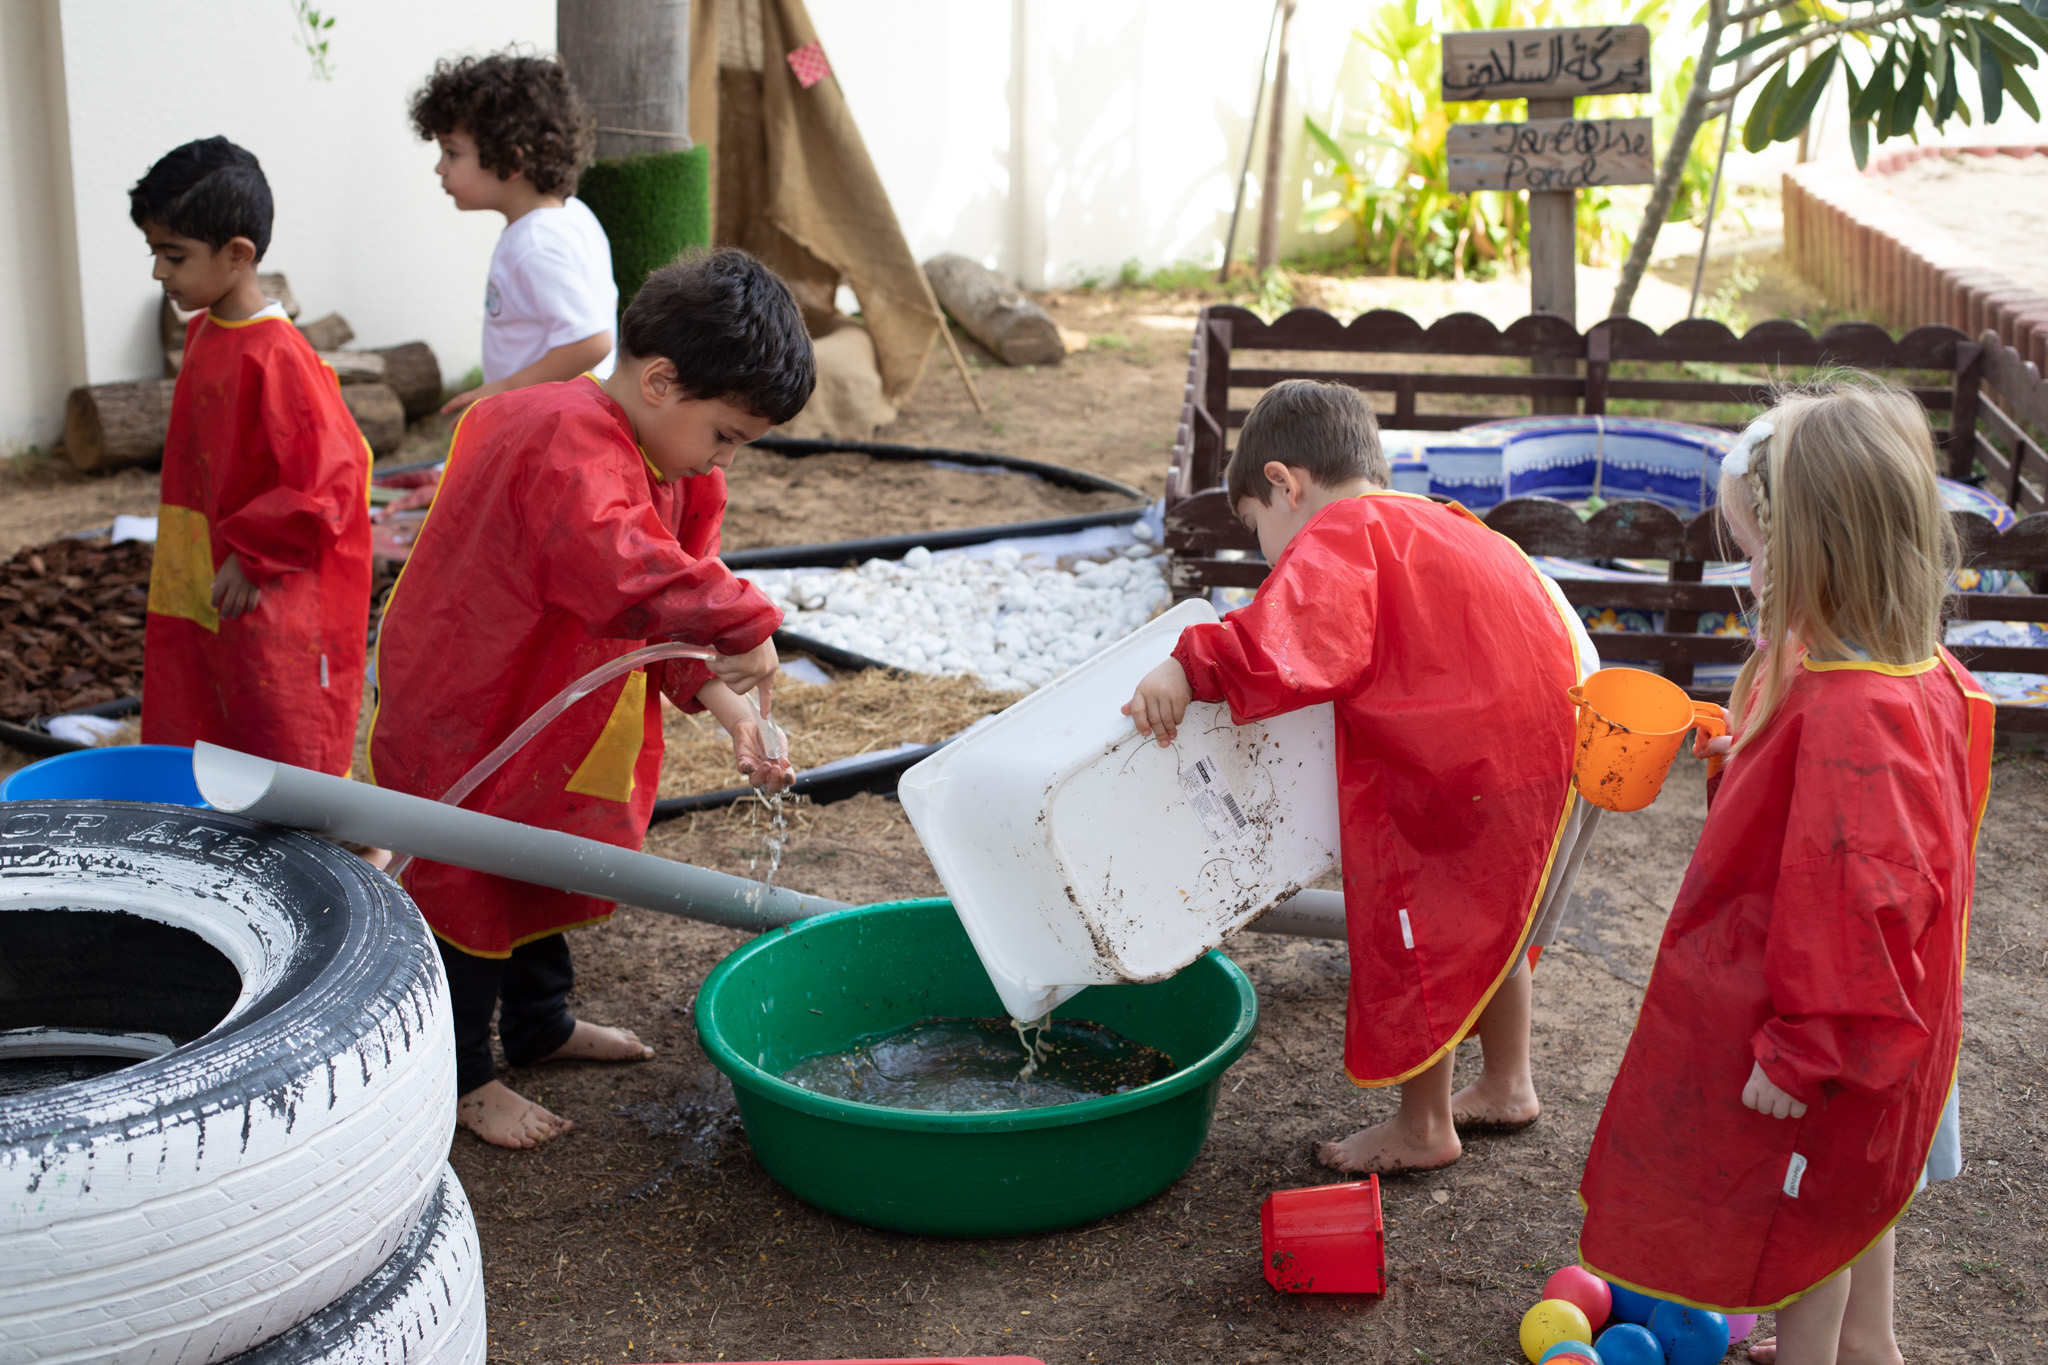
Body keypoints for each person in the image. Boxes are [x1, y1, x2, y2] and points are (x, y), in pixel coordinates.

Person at [1577, 382, 1992, 1365]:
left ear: (1819, 551)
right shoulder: (1905, 668)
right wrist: (1740, 749)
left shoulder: (1857, 714)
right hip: (1884, 1028)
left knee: (1802, 1229)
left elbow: (1862, 901)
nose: (1750, 574)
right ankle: (1870, 1346)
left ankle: (1821, 1352)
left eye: (1762, 549)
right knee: (1845, 1196)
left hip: (1835, 1031)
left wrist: (1803, 1047)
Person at [369, 250, 814, 1150]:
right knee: (469, 876)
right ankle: (464, 1075)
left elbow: (669, 613)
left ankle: (542, 1023)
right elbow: (632, 572)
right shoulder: (556, 436)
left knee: (544, 860)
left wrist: (735, 711)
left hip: (562, 706)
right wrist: (743, 619)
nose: (725, 457)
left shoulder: (675, 465)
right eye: (725, 433)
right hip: (477, 705)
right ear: (659, 381)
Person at [1123, 379, 1601, 1176]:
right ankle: (1508, 1081)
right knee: (1496, 914)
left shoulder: (1346, 531)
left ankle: (1422, 1126)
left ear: (1285, 482)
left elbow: (1290, 636)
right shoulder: (1438, 520)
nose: (1268, 555)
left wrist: (1190, 661)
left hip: (1466, 767)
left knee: (1419, 929)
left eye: (1257, 529)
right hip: (1553, 741)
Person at [130, 137, 372, 774]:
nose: (159, 273)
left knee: (281, 728)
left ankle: (346, 853)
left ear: (238, 254)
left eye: (173, 255)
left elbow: (330, 481)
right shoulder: (204, 331)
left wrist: (253, 554)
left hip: (270, 584)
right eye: (155, 252)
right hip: (211, 569)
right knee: (215, 710)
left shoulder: (279, 357)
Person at [410, 51, 617, 414]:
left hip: (553, 425)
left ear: (511, 161)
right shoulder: (570, 215)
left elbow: (591, 341)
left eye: (452, 153)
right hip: (553, 417)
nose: (439, 168)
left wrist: (504, 389)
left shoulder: (537, 245)